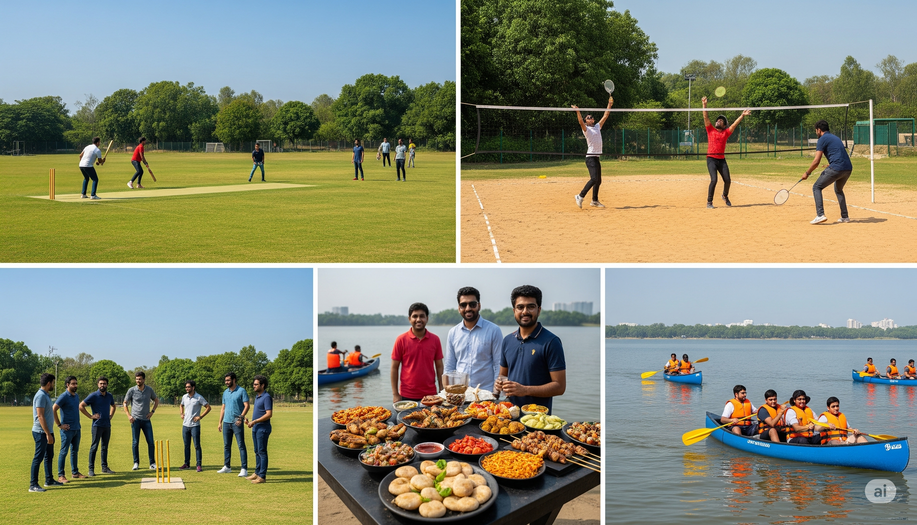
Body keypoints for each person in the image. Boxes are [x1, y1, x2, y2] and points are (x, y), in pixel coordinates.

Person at [497, 285, 566, 411]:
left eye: (531, 306)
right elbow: (502, 376)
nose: (525, 311)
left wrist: (524, 390)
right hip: (508, 415)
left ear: (539, 310)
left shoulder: (551, 342)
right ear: (514, 311)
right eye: (520, 307)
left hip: (537, 420)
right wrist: (499, 384)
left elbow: (560, 387)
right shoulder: (507, 341)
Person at [444, 286, 504, 392]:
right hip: (460, 393)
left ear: (479, 305)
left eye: (472, 304)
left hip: (485, 393)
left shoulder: (493, 330)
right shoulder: (453, 333)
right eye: (463, 305)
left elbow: (498, 364)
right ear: (459, 308)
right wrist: (449, 393)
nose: (468, 308)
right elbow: (449, 367)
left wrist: (496, 393)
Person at [702, 97, 751, 208]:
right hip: (711, 159)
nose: (718, 121)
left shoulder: (726, 133)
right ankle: (709, 202)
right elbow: (705, 117)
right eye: (718, 120)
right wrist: (704, 105)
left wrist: (742, 116)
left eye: (721, 121)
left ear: (724, 125)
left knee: (728, 180)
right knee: (714, 180)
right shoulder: (710, 130)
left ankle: (725, 195)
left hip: (721, 160)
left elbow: (734, 125)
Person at [802, 120, 854, 224]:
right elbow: (839, 152)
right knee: (838, 190)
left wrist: (807, 173)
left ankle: (820, 215)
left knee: (817, 187)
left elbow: (816, 161)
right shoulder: (835, 137)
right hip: (847, 168)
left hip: (837, 168)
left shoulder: (822, 139)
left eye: (816, 130)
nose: (816, 132)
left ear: (819, 130)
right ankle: (845, 217)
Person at [391, 302, 444, 403]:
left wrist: (441, 389)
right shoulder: (401, 340)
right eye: (415, 316)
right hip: (406, 395)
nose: (418, 319)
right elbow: (394, 367)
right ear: (409, 319)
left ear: (427, 318)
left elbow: (439, 366)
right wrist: (395, 394)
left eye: (422, 316)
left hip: (431, 395)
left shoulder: (435, 339)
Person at [572, 97, 613, 209]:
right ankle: (580, 196)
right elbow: (580, 121)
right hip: (590, 157)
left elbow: (605, 116)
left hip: (596, 157)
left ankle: (594, 200)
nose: (591, 118)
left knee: (598, 180)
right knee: (594, 178)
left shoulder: (597, 127)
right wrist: (578, 112)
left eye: (592, 117)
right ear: (586, 120)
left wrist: (609, 105)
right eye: (588, 117)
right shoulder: (586, 129)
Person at [79, 376, 116, 476]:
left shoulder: (109, 396)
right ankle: (91, 469)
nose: (102, 385)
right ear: (98, 385)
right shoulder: (93, 396)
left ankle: (104, 467)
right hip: (97, 425)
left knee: (105, 447)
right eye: (100, 383)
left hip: (107, 425)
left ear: (107, 385)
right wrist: (90, 416)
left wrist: (111, 415)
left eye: (104, 383)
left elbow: (113, 406)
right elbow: (81, 406)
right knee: (94, 447)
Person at [123, 371, 159, 470]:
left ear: (143, 380)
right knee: (135, 442)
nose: (138, 381)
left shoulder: (149, 390)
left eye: (140, 379)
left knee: (150, 442)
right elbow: (125, 402)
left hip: (146, 420)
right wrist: (129, 415)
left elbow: (156, 400)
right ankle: (136, 463)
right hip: (135, 420)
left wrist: (152, 412)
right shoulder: (131, 390)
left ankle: (152, 463)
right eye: (137, 379)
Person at [53, 376, 85, 483]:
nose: (75, 385)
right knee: (64, 452)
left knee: (74, 451)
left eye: (76, 383)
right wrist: (59, 425)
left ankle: (75, 472)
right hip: (67, 430)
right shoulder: (63, 396)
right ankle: (61, 475)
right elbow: (54, 409)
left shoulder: (76, 396)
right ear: (67, 384)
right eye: (73, 384)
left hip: (77, 428)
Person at [217, 372, 250, 478]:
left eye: (228, 380)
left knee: (241, 445)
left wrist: (241, 417)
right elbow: (223, 408)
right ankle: (227, 466)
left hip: (237, 422)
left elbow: (247, 406)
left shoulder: (241, 391)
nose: (226, 382)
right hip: (226, 422)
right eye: (225, 380)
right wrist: (220, 422)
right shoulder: (225, 392)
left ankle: (244, 468)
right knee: (227, 446)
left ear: (234, 380)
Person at [30, 373, 58, 492]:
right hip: (41, 432)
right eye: (53, 383)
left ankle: (49, 480)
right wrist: (47, 434)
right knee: (38, 457)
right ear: (48, 383)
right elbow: (40, 416)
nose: (53, 385)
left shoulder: (45, 395)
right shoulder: (40, 396)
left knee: (49, 456)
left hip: (47, 431)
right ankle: (33, 485)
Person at [179, 380, 211, 472]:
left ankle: (198, 465)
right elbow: (181, 405)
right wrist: (181, 413)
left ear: (193, 387)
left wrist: (200, 416)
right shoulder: (184, 397)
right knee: (186, 445)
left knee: (197, 445)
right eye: (186, 387)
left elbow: (208, 407)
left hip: (195, 426)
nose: (187, 388)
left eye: (188, 387)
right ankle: (187, 464)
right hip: (185, 425)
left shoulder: (199, 397)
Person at [246, 375, 273, 484]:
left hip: (263, 428)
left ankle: (262, 476)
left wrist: (255, 421)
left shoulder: (266, 397)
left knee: (262, 452)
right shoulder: (258, 397)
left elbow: (269, 414)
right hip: (256, 427)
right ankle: (256, 473)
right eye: (254, 384)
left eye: (256, 384)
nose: (254, 386)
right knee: (257, 451)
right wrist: (250, 422)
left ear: (263, 385)